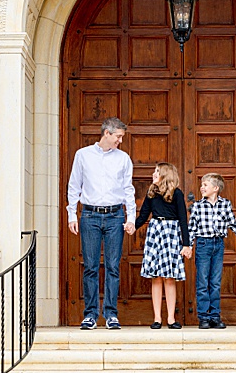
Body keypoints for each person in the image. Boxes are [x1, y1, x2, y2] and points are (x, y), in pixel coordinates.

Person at [66, 118, 136, 330]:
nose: (120, 141)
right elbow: (74, 186)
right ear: (107, 133)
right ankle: (90, 315)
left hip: (115, 216)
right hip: (90, 216)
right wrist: (72, 215)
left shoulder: (123, 158)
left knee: (113, 266)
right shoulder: (83, 155)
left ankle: (111, 315)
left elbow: (128, 189)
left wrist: (131, 217)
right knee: (90, 267)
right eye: (118, 137)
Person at [137, 163, 192, 329]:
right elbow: (143, 215)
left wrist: (186, 244)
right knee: (156, 278)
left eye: (156, 171)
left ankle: (171, 318)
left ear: (165, 175)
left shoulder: (176, 194)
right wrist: (131, 225)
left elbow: (183, 219)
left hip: (171, 233)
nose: (153, 173)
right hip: (156, 233)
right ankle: (157, 318)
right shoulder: (152, 193)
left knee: (169, 278)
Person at [187, 172, 236, 328]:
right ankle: (203, 317)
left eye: (205, 185)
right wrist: (188, 245)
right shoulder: (197, 206)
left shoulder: (225, 204)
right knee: (203, 281)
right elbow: (192, 228)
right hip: (203, 244)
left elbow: (232, 222)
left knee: (215, 282)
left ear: (215, 188)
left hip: (218, 243)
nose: (202, 188)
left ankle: (215, 316)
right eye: (201, 185)